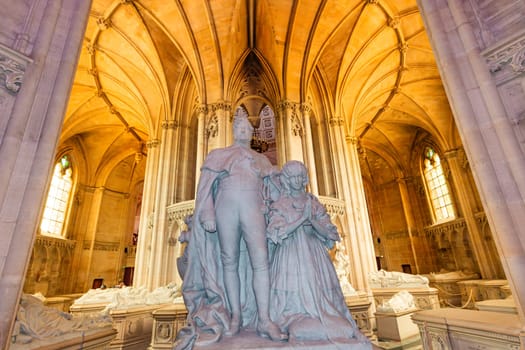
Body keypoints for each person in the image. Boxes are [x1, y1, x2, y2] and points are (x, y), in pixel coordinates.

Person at [175, 114, 285, 349]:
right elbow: (204, 187)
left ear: (252, 131)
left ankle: (265, 320)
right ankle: (235, 316)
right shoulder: (219, 155)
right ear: (233, 130)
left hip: (253, 208)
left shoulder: (261, 159)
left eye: (246, 127)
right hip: (226, 208)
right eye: (238, 126)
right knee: (229, 261)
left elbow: (274, 187)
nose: (242, 129)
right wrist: (207, 213)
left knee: (260, 260)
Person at [266, 160, 371, 348]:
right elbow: (275, 232)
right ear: (287, 180)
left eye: (300, 176)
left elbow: (330, 232)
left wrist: (312, 222)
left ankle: (326, 324)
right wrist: (301, 219)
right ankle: (297, 324)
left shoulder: (312, 202)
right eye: (293, 177)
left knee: (327, 303)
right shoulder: (281, 204)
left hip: (315, 257)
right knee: (290, 301)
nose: (298, 180)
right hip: (289, 257)